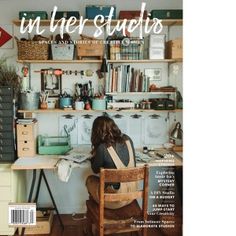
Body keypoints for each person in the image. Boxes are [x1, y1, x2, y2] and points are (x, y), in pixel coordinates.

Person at [86, 116, 136, 209]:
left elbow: (95, 169)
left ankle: (98, 211)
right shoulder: (128, 139)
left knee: (89, 179)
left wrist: (93, 157)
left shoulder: (102, 147)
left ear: (96, 132)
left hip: (114, 201)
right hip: (131, 196)